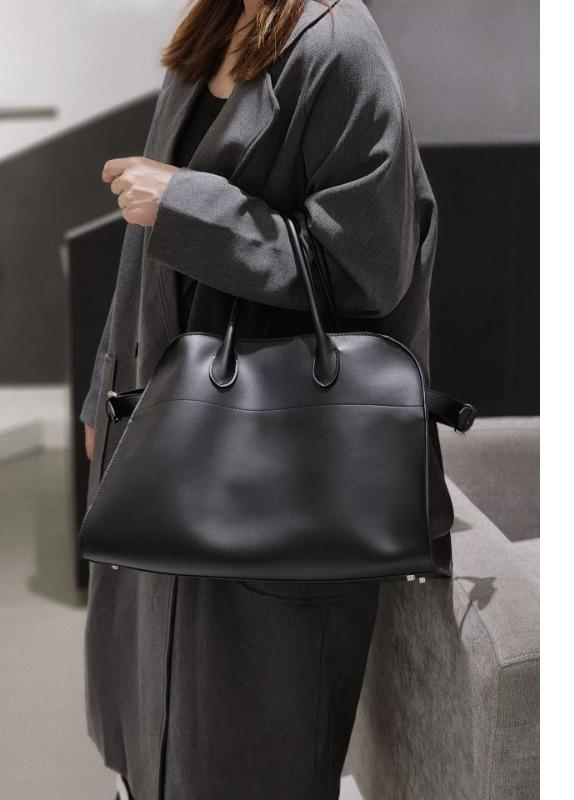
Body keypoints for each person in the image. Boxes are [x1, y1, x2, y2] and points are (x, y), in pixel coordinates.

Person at [80, 1, 438, 798]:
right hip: (164, 431)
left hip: (270, 462)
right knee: (152, 721)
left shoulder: (339, 47)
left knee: (246, 741)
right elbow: (143, 256)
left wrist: (186, 205)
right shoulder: (211, 26)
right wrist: (103, 396)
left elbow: (369, 267)